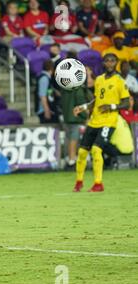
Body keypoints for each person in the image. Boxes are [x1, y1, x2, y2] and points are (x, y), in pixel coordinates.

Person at [72, 53, 130, 192]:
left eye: (112, 61)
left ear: (116, 63)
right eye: (107, 61)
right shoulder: (99, 79)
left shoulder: (120, 81)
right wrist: (84, 107)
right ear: (103, 63)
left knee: (96, 150)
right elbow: (97, 100)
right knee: (81, 152)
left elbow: (127, 103)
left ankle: (98, 183)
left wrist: (112, 107)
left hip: (109, 121)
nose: (110, 63)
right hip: (94, 121)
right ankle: (79, 182)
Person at [35, 59, 59, 123]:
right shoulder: (44, 79)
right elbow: (42, 96)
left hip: (49, 110)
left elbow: (49, 90)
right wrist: (47, 110)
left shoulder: (47, 78)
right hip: (45, 111)